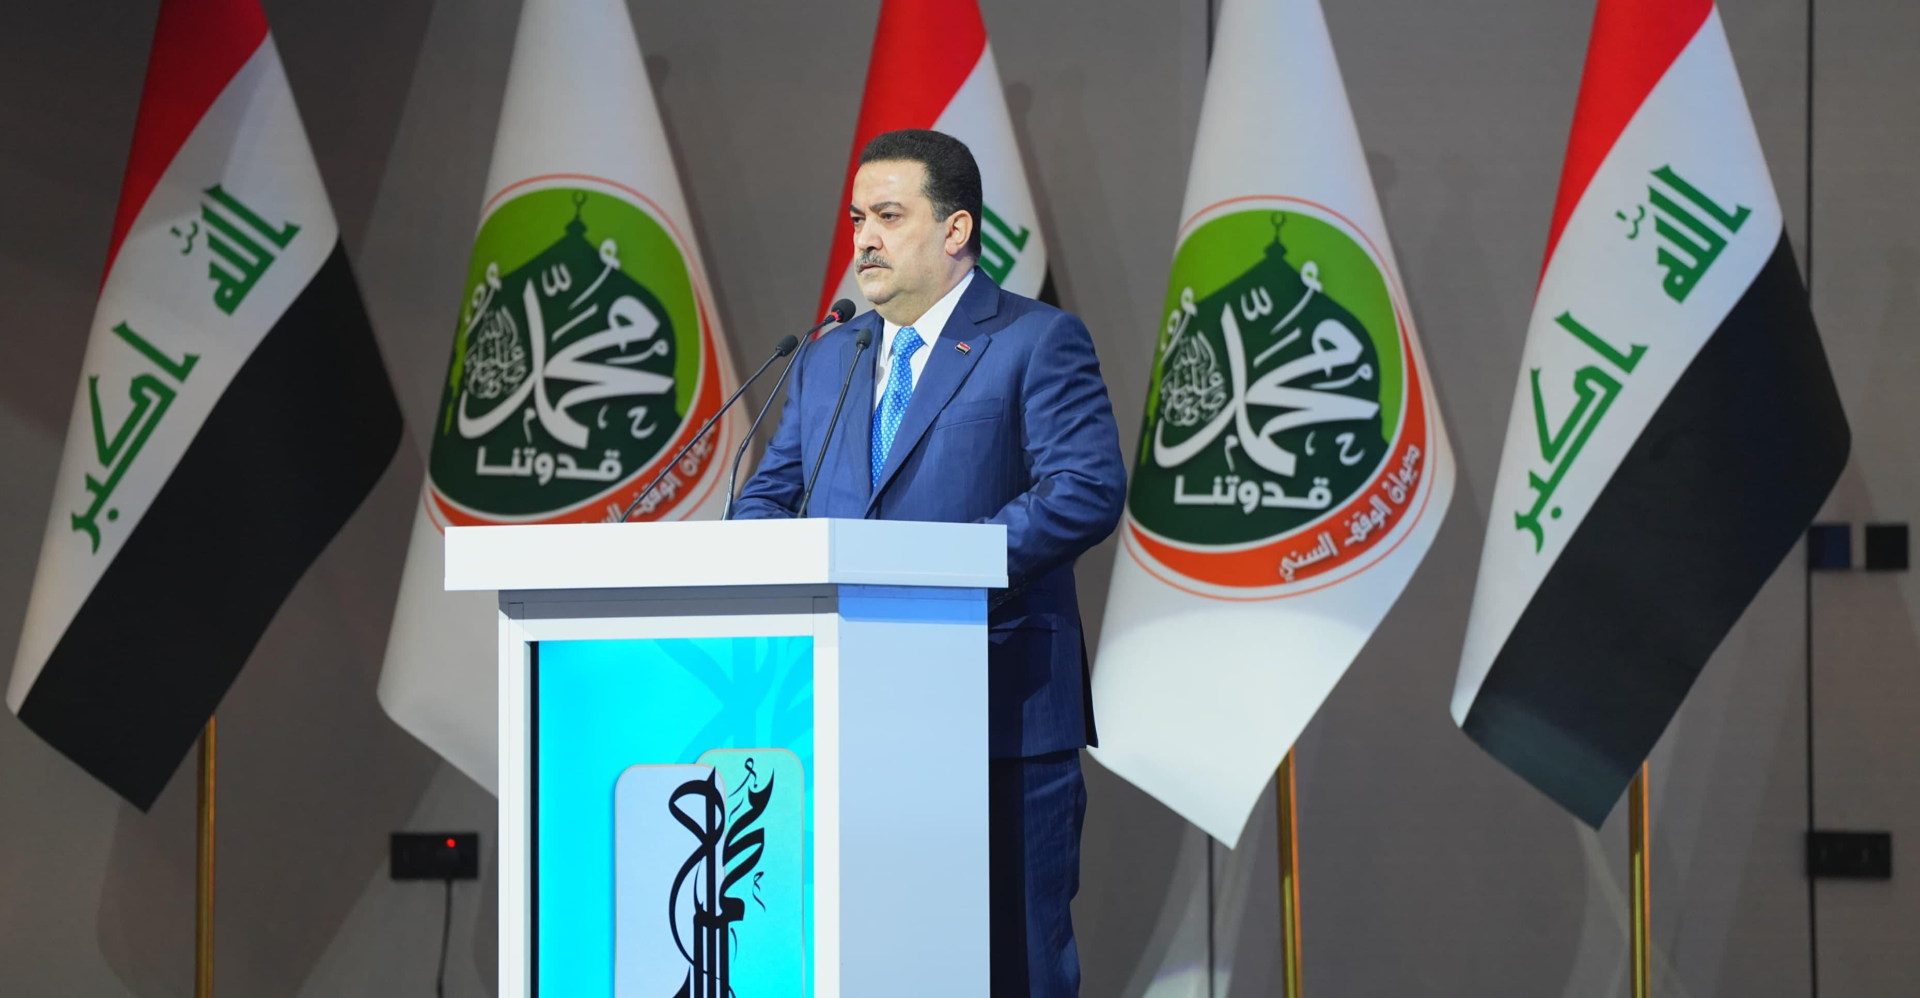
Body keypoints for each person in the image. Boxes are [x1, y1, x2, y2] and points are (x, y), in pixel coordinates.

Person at [732, 128, 1126, 995]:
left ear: (955, 230)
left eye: (888, 216)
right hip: (843, 721)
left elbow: (1086, 489)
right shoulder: (828, 358)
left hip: (998, 716)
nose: (864, 240)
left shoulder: (1034, 339)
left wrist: (943, 568)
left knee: (1014, 969)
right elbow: (766, 499)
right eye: (856, 220)